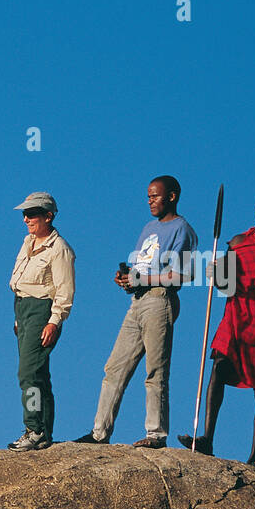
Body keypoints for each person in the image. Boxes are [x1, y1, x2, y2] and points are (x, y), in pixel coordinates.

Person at [177, 191, 255, 469]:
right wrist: (217, 273)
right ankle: (207, 438)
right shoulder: (239, 244)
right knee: (219, 369)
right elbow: (226, 286)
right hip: (240, 320)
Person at [73, 176, 197, 448]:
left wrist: (143, 280)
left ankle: (156, 433)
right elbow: (142, 266)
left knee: (155, 370)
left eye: (156, 196)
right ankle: (99, 433)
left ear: (172, 197)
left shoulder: (182, 230)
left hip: (159, 299)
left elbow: (180, 275)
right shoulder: (149, 228)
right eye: (149, 196)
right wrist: (127, 278)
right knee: (115, 367)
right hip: (137, 301)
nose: (150, 201)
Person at [5, 193, 75, 451]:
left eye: (32, 213)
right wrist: (17, 318)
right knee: (39, 374)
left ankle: (34, 428)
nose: (26, 219)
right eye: (24, 214)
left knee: (29, 373)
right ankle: (44, 430)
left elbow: (64, 291)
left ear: (48, 215)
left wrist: (54, 321)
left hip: (41, 310)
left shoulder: (60, 249)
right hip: (22, 308)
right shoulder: (28, 241)